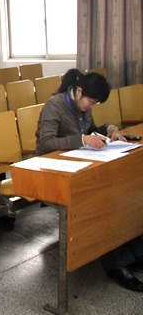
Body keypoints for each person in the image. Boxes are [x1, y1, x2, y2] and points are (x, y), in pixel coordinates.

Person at [35, 69, 143, 292]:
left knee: (127, 193)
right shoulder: (55, 105)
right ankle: (117, 264)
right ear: (79, 91)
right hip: (55, 172)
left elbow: (91, 130)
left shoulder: (83, 105)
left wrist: (110, 129)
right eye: (91, 102)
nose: (91, 106)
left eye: (95, 104)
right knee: (104, 202)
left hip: (81, 165)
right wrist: (82, 140)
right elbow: (45, 143)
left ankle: (134, 253)